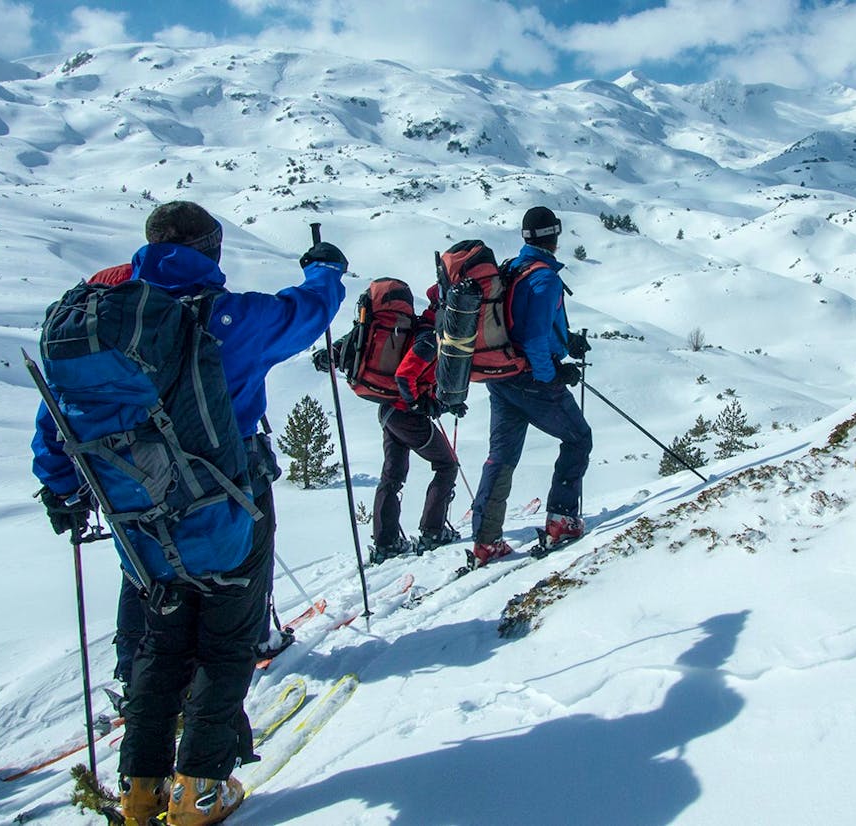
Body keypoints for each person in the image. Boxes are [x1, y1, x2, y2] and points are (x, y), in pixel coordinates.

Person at [31, 201, 346, 825]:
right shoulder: (227, 317)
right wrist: (325, 270)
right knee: (226, 643)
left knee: (161, 644)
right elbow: (307, 313)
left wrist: (60, 488)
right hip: (228, 502)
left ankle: (141, 789)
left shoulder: (113, 324)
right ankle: (200, 788)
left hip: (140, 522)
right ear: (212, 249)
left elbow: (57, 416)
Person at [469, 206, 592, 565]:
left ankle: (486, 540)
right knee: (578, 438)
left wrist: (567, 341)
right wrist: (552, 375)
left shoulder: (513, 268)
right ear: (555, 235)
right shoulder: (545, 278)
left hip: (502, 378)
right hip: (531, 379)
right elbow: (534, 336)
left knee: (501, 456)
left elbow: (520, 321)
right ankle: (562, 519)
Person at [314, 284, 461, 563]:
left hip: (388, 412)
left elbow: (362, 343)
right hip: (406, 414)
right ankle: (432, 532)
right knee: (447, 465)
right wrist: (418, 403)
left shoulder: (413, 326)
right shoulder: (429, 337)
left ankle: (386, 542)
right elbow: (405, 375)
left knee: (392, 477)